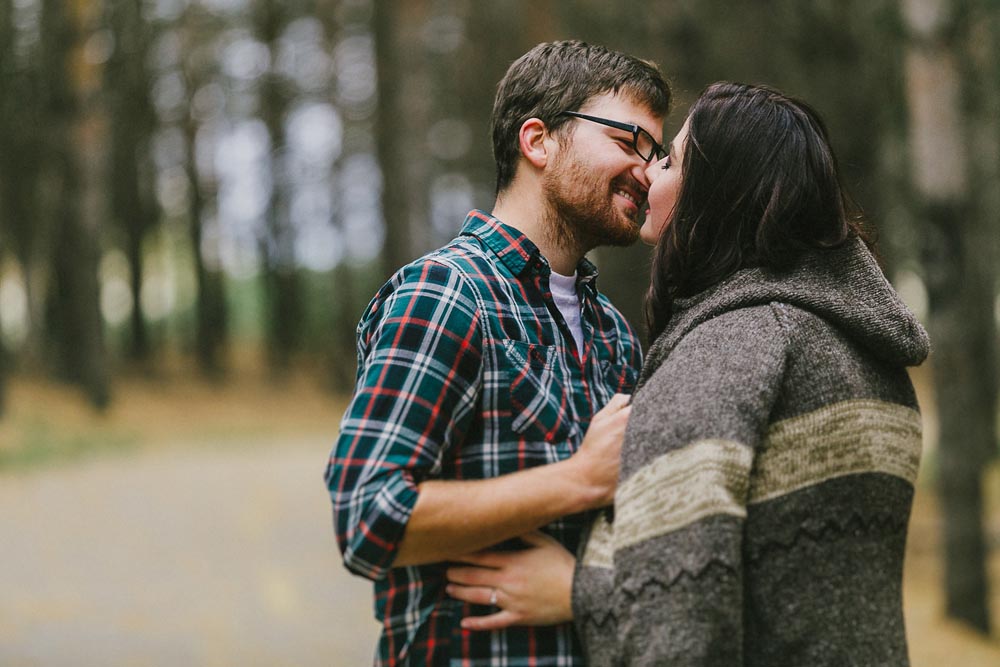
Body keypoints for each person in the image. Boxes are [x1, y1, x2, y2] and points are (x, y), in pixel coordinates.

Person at [445, 82, 930, 666]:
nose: (648, 174)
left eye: (669, 158)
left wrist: (581, 589)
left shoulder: (731, 347)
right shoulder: (862, 349)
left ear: (718, 191)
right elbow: (795, 585)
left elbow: (683, 624)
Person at [325, 40, 671, 666]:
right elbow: (367, 517)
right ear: (538, 141)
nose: (648, 171)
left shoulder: (615, 333)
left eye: (657, 152)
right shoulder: (445, 295)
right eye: (627, 142)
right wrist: (575, 481)